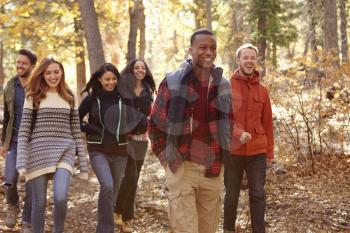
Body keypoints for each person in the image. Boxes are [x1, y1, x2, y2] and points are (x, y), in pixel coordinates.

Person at [148, 28, 232, 233]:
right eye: (203, 47)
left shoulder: (223, 84)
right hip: (181, 166)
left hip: (212, 169)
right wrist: (167, 160)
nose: (209, 52)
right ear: (191, 50)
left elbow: (228, 124)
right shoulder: (173, 82)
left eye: (213, 48)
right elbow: (155, 125)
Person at [16, 56, 89, 233]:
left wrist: (84, 166)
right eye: (48, 73)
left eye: (56, 72)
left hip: (66, 150)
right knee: (38, 202)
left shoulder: (70, 96)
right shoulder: (33, 96)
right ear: (42, 74)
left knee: (61, 197)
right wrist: (21, 161)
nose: (52, 76)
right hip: (38, 152)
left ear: (62, 72)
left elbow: (76, 132)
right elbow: (24, 130)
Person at [223, 43, 274, 233]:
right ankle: (228, 229)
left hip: (257, 151)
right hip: (233, 151)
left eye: (252, 58)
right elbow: (222, 118)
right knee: (231, 196)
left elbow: (268, 123)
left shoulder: (263, 90)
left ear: (256, 61)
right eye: (245, 57)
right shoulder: (226, 85)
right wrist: (237, 133)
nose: (249, 61)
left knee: (258, 194)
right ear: (238, 60)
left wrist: (269, 152)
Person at [79, 63, 129, 233]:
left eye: (114, 79)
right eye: (107, 79)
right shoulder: (91, 99)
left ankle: (104, 226)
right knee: (107, 185)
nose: (111, 82)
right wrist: (87, 128)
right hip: (97, 149)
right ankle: (105, 230)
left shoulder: (124, 98)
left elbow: (134, 118)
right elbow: (74, 121)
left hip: (121, 150)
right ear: (99, 79)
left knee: (112, 193)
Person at [114, 59, 156, 232]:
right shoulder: (123, 89)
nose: (140, 70)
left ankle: (126, 219)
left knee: (134, 178)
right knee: (131, 175)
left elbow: (152, 113)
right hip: (127, 139)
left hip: (142, 139)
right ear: (131, 71)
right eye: (136, 67)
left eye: (143, 68)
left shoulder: (148, 91)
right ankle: (118, 210)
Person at [1, 49, 37, 232]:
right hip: (14, 140)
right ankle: (13, 205)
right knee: (10, 178)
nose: (19, 66)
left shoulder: (39, 85)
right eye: (18, 62)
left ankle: (27, 220)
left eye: (24, 63)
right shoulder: (10, 85)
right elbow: (7, 117)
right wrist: (4, 144)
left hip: (34, 141)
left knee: (32, 182)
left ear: (32, 66)